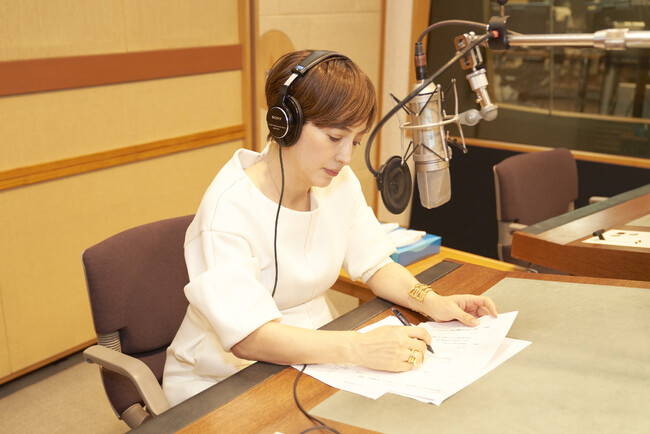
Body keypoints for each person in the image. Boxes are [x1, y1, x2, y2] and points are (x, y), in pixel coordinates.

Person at [162, 49, 498, 406]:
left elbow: (376, 265)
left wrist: (432, 301)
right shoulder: (227, 210)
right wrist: (359, 348)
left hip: (320, 352)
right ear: (285, 123)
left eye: (355, 141)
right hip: (223, 378)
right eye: (335, 137)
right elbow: (249, 338)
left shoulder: (338, 182)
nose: (345, 157)